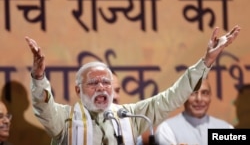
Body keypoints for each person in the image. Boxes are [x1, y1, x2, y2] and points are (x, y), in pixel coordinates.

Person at [25, 25, 240, 145]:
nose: (101, 87)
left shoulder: (129, 117)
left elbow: (172, 97)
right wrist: (38, 76)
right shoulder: (64, 119)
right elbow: (44, 108)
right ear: (78, 90)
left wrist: (206, 62)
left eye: (106, 82)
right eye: (93, 83)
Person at [155, 78, 234, 145]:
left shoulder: (227, 128)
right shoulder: (167, 129)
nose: (199, 99)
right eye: (192, 93)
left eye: (204, 93)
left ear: (210, 97)